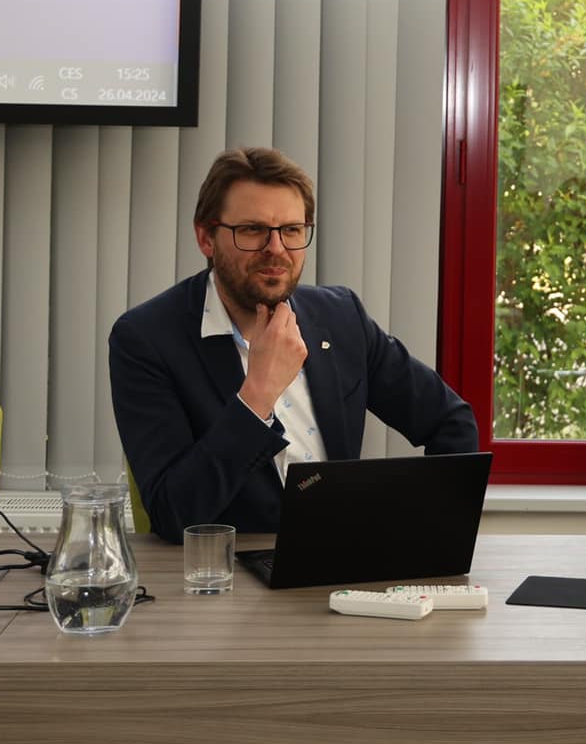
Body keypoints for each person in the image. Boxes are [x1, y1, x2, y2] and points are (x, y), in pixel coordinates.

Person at [110, 146, 478, 537]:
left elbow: (451, 423)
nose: (276, 249)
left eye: (291, 230)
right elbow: (172, 513)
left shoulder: (342, 318)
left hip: (342, 559)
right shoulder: (147, 339)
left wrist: (422, 527)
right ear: (206, 238)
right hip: (228, 568)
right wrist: (257, 395)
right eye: (252, 229)